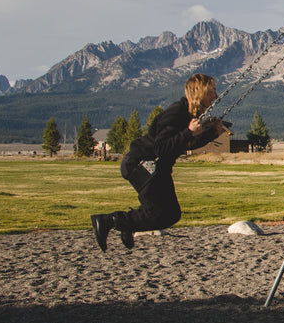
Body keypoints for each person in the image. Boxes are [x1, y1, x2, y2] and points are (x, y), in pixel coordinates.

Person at [91, 73, 225, 252]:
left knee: (171, 214)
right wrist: (188, 132)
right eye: (212, 92)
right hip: (142, 165)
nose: (216, 97)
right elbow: (160, 147)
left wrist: (211, 134)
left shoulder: (191, 114)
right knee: (160, 214)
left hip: (157, 168)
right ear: (199, 93)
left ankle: (126, 224)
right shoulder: (177, 111)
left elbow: (182, 145)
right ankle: (108, 221)